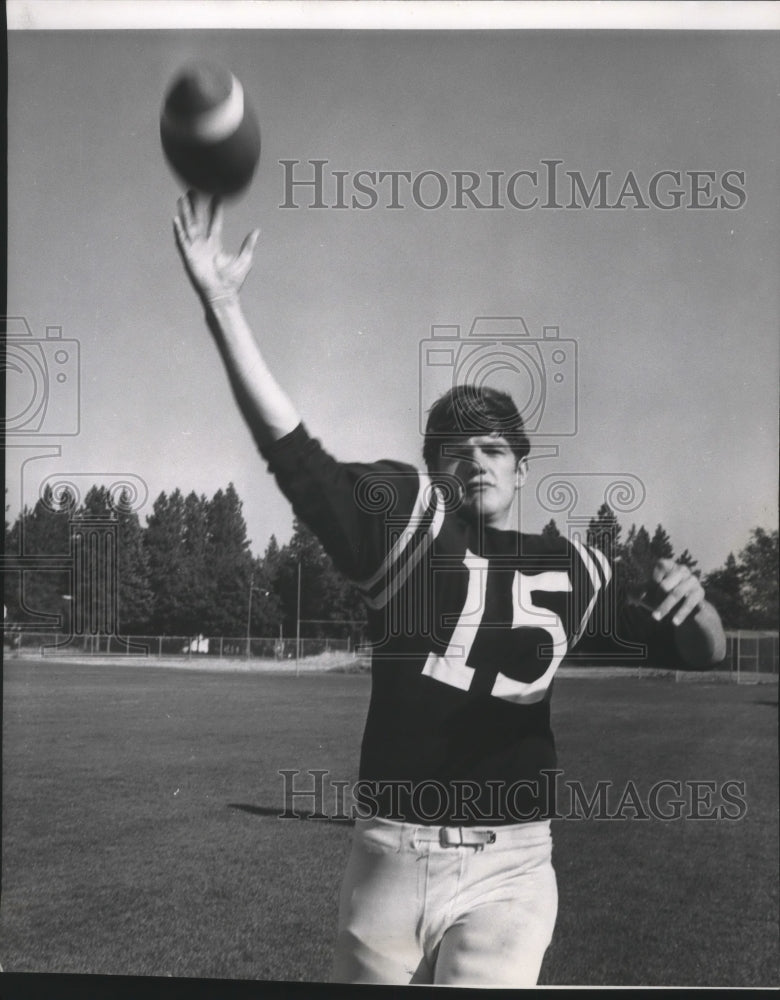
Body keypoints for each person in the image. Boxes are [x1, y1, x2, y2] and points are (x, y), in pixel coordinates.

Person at [173, 191, 726, 987]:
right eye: (456, 449)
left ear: (522, 464)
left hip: (512, 862)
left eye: (495, 447)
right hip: (390, 853)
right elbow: (295, 454)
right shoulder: (404, 522)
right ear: (433, 466)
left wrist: (698, 603)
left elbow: (696, 651)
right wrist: (224, 306)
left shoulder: (575, 566)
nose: (477, 461)